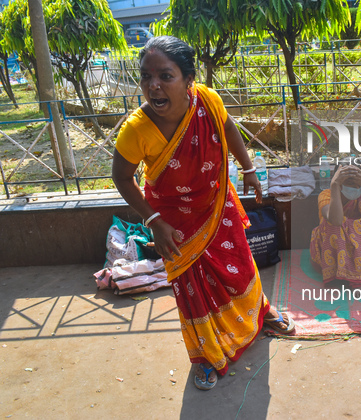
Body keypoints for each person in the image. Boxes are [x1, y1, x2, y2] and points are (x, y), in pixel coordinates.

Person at [112, 36, 294, 391]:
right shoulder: (136, 129)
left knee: (240, 266)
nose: (154, 86)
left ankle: (260, 314)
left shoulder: (208, 101)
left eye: (166, 76)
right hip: (174, 225)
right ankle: (206, 355)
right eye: (146, 77)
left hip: (217, 206)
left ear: (188, 78)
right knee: (193, 290)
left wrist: (249, 169)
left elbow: (228, 129)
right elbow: (121, 177)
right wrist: (153, 222)